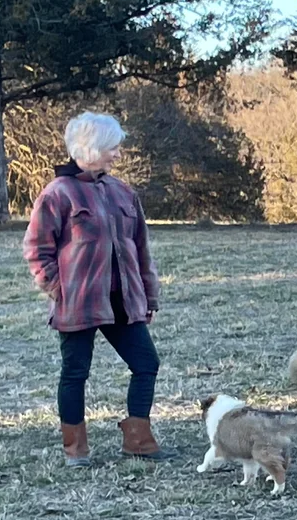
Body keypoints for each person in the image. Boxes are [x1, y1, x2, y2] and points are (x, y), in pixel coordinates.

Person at [22, 111, 173, 467]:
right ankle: (76, 450)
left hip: (124, 302)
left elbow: (141, 248)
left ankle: (138, 440)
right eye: (112, 148)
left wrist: (149, 295)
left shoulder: (122, 191)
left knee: (146, 363)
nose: (118, 154)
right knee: (75, 373)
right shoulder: (58, 194)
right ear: (90, 148)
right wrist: (58, 289)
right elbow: (36, 248)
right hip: (78, 303)